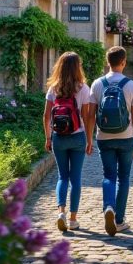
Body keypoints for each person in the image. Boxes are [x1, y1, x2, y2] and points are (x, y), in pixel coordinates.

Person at [87, 46, 133, 236]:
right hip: (126, 138)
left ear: (107, 62)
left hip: (104, 137)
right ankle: (119, 220)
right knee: (124, 177)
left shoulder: (97, 84)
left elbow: (90, 116)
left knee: (108, 175)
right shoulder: (131, 85)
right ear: (124, 62)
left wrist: (89, 138)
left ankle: (108, 207)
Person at [42, 52, 91, 232]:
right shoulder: (83, 88)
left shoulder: (53, 88)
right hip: (78, 137)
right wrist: (89, 140)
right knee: (75, 178)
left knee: (62, 176)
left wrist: (48, 137)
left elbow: (47, 116)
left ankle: (61, 212)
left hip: (59, 138)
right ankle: (73, 219)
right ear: (77, 67)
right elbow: (86, 117)